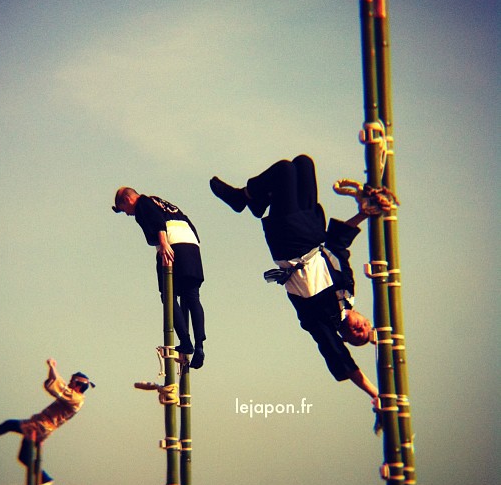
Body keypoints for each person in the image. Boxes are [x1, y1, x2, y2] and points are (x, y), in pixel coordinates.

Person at [210, 155, 378, 400]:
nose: (360, 329)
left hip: (289, 243)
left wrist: (374, 393)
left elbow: (339, 358)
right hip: (313, 231)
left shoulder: (322, 322)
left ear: (345, 336)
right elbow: (338, 246)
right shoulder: (348, 289)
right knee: (303, 163)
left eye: (357, 336)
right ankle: (255, 199)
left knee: (284, 171)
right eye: (365, 328)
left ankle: (243, 197)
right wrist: (363, 214)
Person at [0, 358, 93, 485]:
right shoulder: (73, 396)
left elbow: (59, 386)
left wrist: (52, 366)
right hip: (40, 425)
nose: (69, 383)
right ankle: (45, 479)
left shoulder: (75, 399)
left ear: (78, 386)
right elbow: (57, 383)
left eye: (72, 382)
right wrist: (51, 368)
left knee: (9, 424)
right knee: (23, 457)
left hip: (40, 426)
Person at [113, 187, 206, 369]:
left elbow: (157, 222)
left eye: (124, 209)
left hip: (172, 246)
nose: (127, 214)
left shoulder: (142, 202)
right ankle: (200, 346)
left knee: (168, 295)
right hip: (192, 247)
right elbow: (189, 224)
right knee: (192, 297)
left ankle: (186, 341)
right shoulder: (162, 202)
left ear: (127, 199)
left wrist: (164, 244)